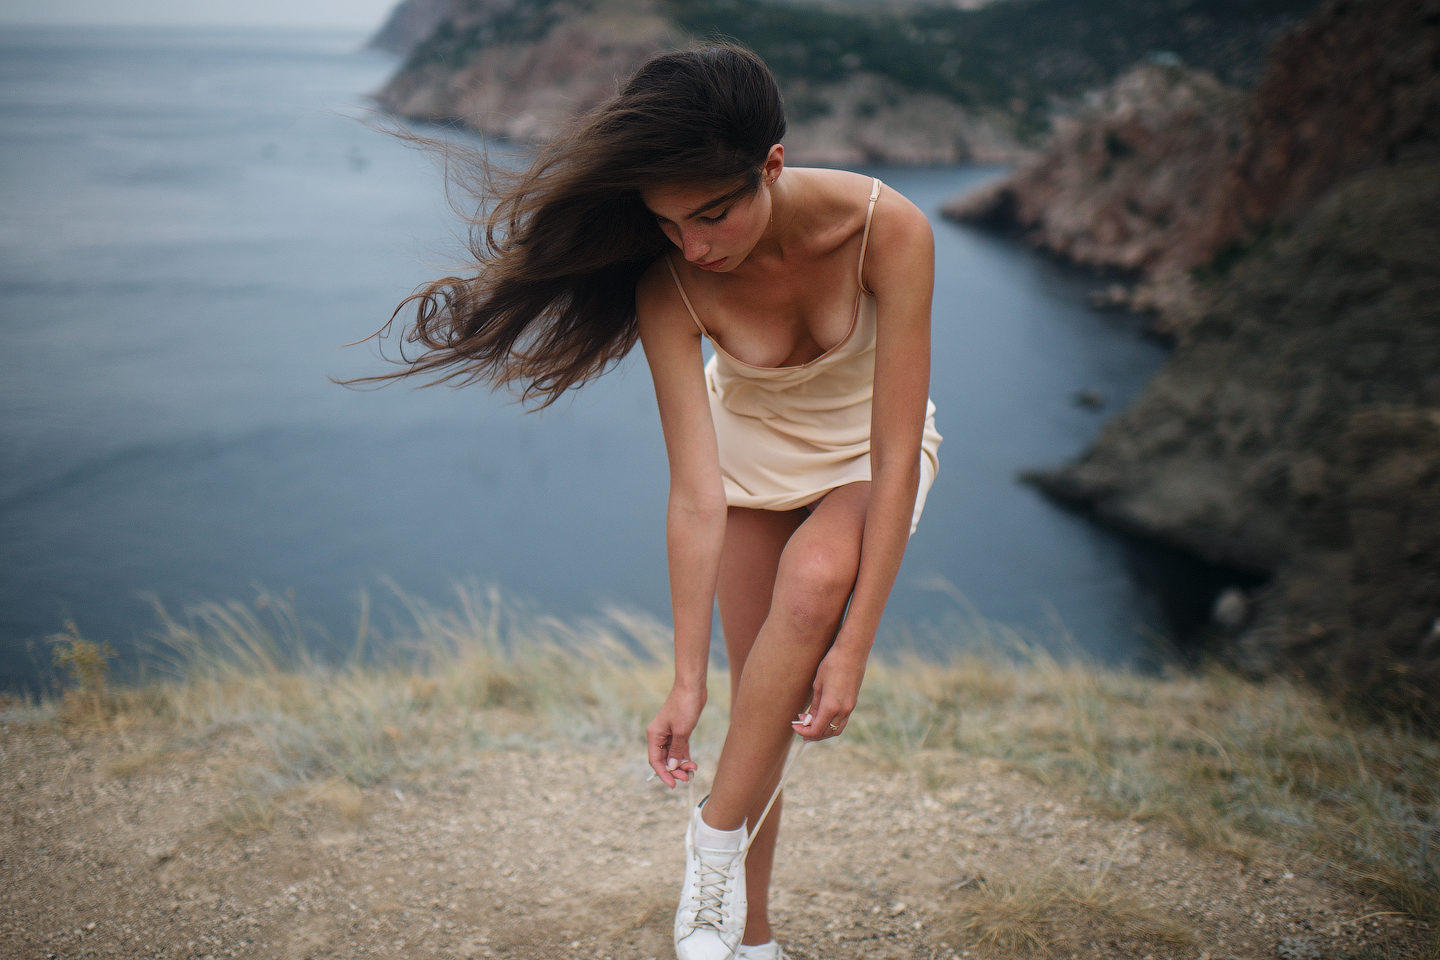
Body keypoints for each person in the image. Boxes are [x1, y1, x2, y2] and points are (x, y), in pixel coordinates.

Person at [371, 42, 941, 960]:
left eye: (711, 214)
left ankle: (708, 844)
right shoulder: (669, 280)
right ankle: (748, 939)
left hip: (869, 455)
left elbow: (895, 443)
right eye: (670, 224)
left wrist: (857, 647)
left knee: (816, 585)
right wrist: (685, 678)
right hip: (751, 462)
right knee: (763, 703)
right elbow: (694, 493)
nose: (696, 245)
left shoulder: (890, 229)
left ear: (772, 166)